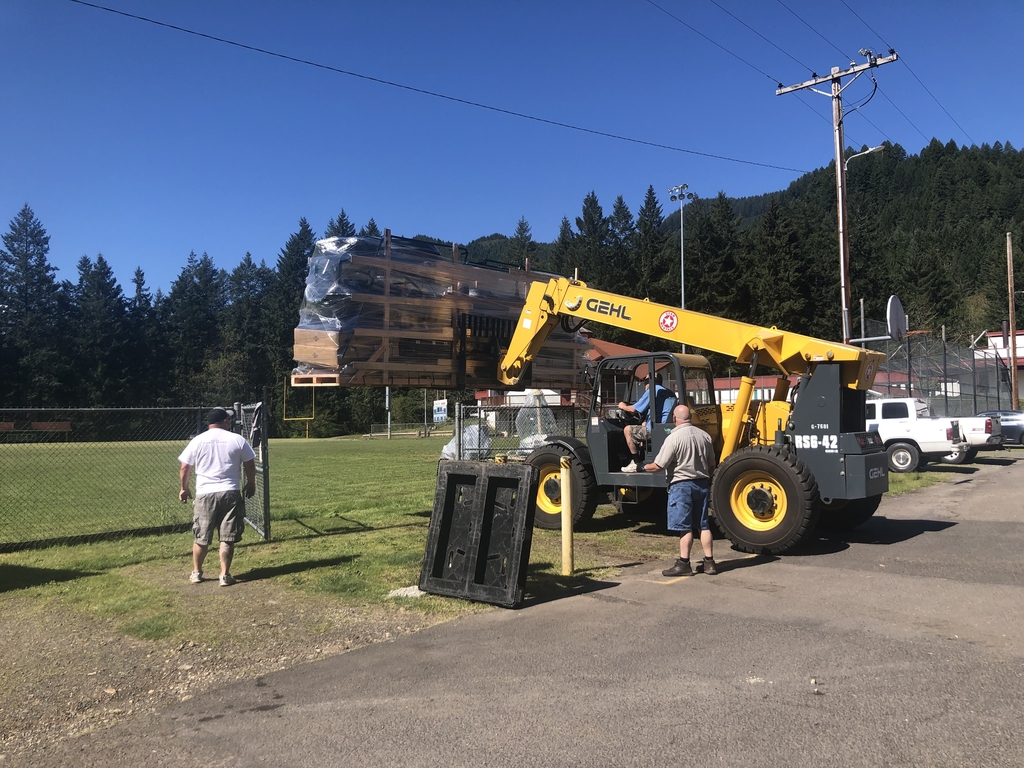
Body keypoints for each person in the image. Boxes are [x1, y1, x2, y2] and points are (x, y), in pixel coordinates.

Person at [178, 408, 257, 587]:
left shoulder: (197, 441)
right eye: (228, 420)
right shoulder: (237, 439)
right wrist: (251, 483)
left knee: (201, 536)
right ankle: (224, 575)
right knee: (227, 537)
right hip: (230, 492)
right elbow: (249, 464)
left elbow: (185, 467)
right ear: (224, 421)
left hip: (205, 493)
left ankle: (197, 572)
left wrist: (184, 488)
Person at [643, 404, 717, 577]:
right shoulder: (704, 436)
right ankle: (709, 562)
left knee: (685, 527)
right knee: (703, 524)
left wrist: (642, 467)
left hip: (681, 485)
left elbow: (659, 465)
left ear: (675, 418)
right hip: (702, 484)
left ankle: (684, 563)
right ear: (690, 417)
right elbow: (712, 464)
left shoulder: (673, 438)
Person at [619, 373, 676, 472]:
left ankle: (636, 463)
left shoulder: (652, 391)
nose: (644, 383)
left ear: (651, 381)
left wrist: (622, 406)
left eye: (645, 380)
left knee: (627, 430)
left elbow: (633, 409)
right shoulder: (669, 392)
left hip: (656, 429)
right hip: (666, 427)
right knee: (643, 424)